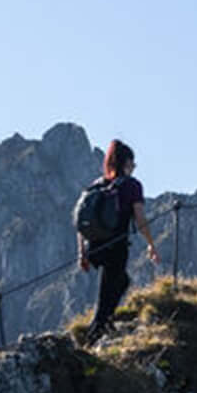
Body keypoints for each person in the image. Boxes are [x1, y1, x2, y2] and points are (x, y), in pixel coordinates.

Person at [74, 138, 158, 336]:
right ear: (126, 162)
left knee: (120, 282)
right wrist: (151, 244)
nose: (134, 167)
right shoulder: (132, 186)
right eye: (132, 163)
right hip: (116, 245)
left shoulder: (96, 185)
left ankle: (104, 324)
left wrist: (82, 253)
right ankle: (95, 333)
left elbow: (81, 221)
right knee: (108, 292)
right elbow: (140, 219)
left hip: (95, 246)